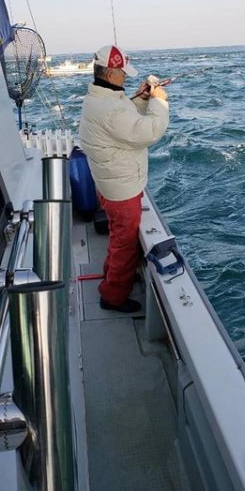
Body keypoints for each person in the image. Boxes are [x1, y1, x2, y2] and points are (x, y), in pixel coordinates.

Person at [79, 45, 169, 313]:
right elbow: (149, 132)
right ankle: (112, 296)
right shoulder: (110, 108)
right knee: (125, 243)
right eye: (121, 73)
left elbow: (122, 115)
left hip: (111, 184)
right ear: (108, 73)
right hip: (121, 189)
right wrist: (159, 102)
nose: (125, 77)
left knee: (119, 236)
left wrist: (141, 99)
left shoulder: (100, 97)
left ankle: (110, 275)